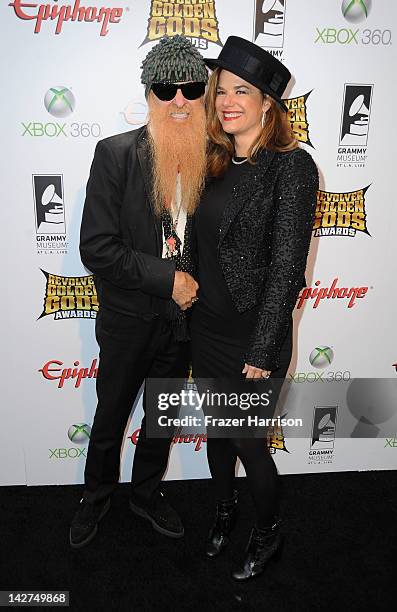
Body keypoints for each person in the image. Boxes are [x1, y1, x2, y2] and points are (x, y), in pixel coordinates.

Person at [70, 35, 208, 548]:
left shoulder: (213, 161)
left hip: (186, 326)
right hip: (128, 321)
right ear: (149, 93)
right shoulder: (115, 155)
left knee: (162, 419)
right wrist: (166, 279)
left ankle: (146, 495)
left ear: (202, 94)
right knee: (108, 422)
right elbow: (97, 247)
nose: (179, 99)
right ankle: (95, 498)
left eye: (191, 88)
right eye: (166, 87)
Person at [190, 36, 319, 580]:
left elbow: (288, 269)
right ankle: (225, 508)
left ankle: (268, 532)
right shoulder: (213, 161)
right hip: (207, 329)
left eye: (242, 91)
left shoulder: (292, 169)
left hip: (252, 341)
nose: (227, 101)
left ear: (269, 102)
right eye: (222, 90)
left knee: (247, 439)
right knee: (219, 434)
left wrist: (264, 350)